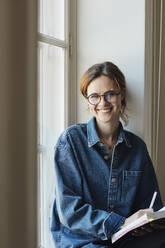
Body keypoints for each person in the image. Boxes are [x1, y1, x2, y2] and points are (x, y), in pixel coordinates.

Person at [51, 61, 165, 248]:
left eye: (110, 94)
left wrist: (147, 221)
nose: (103, 103)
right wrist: (120, 223)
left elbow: (152, 205)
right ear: (88, 102)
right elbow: (69, 211)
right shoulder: (70, 141)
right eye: (95, 96)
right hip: (83, 242)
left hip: (126, 240)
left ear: (122, 96)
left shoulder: (137, 147)